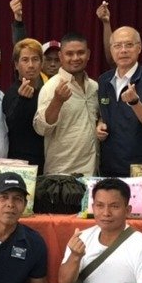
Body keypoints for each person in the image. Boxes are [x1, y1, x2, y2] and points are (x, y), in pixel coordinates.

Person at [97, 25, 142, 176]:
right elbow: (104, 112)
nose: (123, 50)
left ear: (139, 48)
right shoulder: (103, 80)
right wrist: (100, 124)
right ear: (111, 49)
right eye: (117, 46)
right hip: (108, 164)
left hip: (139, 167)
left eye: (129, 45)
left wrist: (135, 103)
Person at [34, 32, 99, 175]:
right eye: (69, 54)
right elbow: (41, 129)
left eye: (80, 53)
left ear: (88, 54)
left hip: (92, 173)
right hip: (62, 176)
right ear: (61, 56)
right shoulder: (51, 87)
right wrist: (57, 101)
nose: (75, 58)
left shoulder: (94, 87)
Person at [2, 38, 46, 171]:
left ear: (41, 63)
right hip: (20, 164)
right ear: (16, 65)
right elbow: (10, 124)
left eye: (35, 59)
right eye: (25, 60)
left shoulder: (46, 90)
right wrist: (21, 100)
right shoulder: (11, 93)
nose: (31, 65)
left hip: (47, 161)